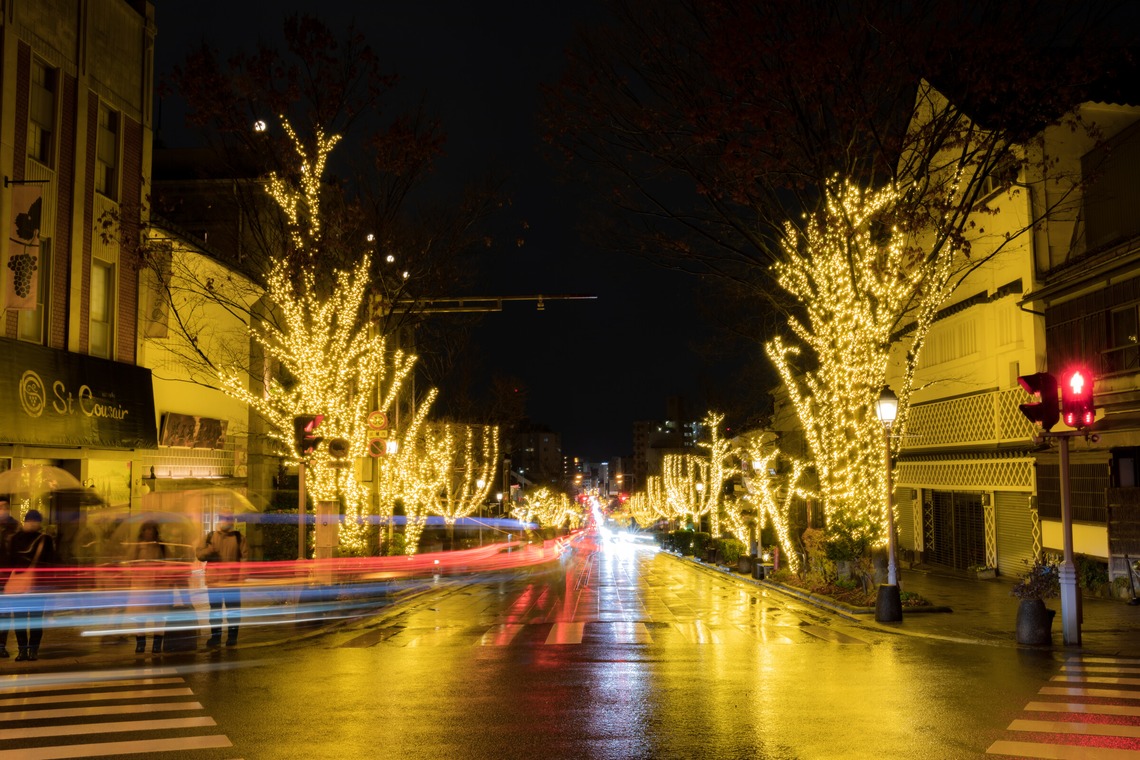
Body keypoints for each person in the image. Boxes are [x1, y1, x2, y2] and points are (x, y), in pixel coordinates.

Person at [6, 509, 57, 662]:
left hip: (34, 586)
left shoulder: (43, 539)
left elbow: (50, 563)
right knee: (28, 619)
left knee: (30, 619)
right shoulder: (19, 538)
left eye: (34, 521)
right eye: (31, 520)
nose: (32, 524)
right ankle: (26, 650)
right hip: (28, 585)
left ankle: (30, 650)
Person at [195, 513, 247, 648]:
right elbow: (199, 554)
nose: (226, 520)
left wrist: (241, 577)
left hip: (232, 582)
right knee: (215, 611)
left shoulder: (239, 538)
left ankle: (232, 637)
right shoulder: (211, 537)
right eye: (223, 518)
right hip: (214, 581)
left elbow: (244, 559)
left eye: (228, 518)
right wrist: (210, 550)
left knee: (233, 611)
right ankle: (216, 637)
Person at [124, 521, 169, 654]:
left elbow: (169, 564)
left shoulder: (162, 546)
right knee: (140, 616)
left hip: (159, 587)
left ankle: (157, 644)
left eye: (151, 529)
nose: (149, 532)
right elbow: (128, 563)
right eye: (146, 529)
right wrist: (136, 572)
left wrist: (162, 573)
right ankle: (140, 644)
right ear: (142, 532)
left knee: (159, 617)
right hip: (141, 587)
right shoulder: (137, 546)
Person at [0, 498, 19, 658]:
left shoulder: (14, 528)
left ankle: (1, 645)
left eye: (4, 507)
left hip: (7, 577)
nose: (2, 509)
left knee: (4, 613)